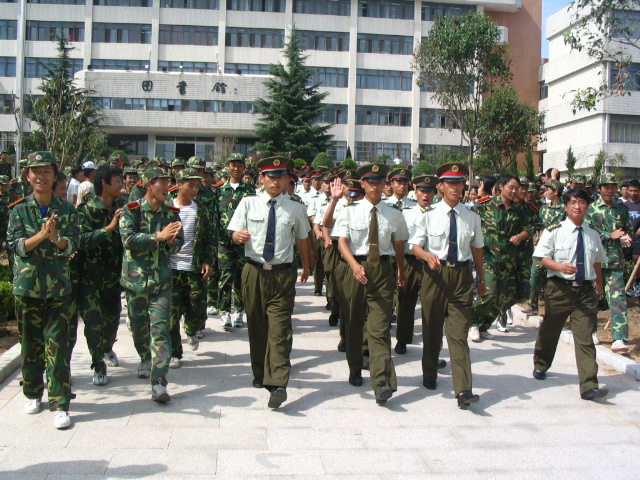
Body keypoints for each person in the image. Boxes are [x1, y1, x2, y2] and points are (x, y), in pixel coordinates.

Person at [228, 156, 311, 409]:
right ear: (262, 179)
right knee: (257, 325)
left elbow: (302, 238)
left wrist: (307, 266)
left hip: (282, 274)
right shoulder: (248, 203)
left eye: (281, 177)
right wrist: (237, 236)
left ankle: (277, 384)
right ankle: (259, 370)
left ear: (286, 179)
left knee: (280, 329)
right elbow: (233, 232)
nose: (276, 181)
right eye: (271, 177)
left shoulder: (295, 207)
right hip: (253, 271)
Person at [7, 151, 79, 429]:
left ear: (54, 175)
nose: (40, 176)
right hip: (27, 290)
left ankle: (60, 404)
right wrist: (41, 235)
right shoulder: (18, 210)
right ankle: (32, 393)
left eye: (46, 171)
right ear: (27, 176)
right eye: (35, 171)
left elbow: (73, 245)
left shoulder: (67, 209)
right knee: (30, 347)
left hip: (58, 291)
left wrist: (56, 238)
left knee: (58, 348)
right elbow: (17, 247)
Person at [410, 163, 485, 409]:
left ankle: (463, 389)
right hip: (435, 275)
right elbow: (415, 246)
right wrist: (427, 256)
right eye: (450, 183)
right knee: (432, 329)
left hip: (462, 276)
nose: (455, 187)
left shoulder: (472, 216)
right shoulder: (428, 215)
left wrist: (481, 278)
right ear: (440, 186)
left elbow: (477, 249)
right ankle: (430, 370)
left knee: (459, 334)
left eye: (459, 183)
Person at [333, 163, 408, 406]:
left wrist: (401, 270)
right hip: (355, 268)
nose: (375, 186)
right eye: (371, 182)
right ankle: (355, 368)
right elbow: (342, 241)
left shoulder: (394, 213)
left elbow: (399, 244)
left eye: (379, 182)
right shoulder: (349, 210)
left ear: (385, 184)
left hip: (383, 271)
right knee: (354, 323)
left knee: (380, 328)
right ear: (363, 184)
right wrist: (354, 265)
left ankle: (382, 381)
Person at [532, 188, 609, 401]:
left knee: (585, 337)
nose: (577, 206)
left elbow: (596, 260)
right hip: (559, 288)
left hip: (585, 291)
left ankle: (589, 385)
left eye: (582, 202)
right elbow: (542, 257)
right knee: (551, 329)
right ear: (566, 206)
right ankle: (541, 363)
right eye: (573, 202)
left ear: (587, 206)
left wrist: (599, 281)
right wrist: (560, 267)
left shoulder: (592, 233)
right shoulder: (555, 230)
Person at [120, 167, 184, 402]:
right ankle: (145, 358)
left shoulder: (171, 213)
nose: (168, 187)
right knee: (139, 328)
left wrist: (172, 241)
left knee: (160, 331)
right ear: (149, 185)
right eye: (162, 183)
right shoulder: (131, 210)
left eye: (168, 182)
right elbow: (128, 240)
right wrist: (158, 237)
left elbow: (180, 243)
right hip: (135, 282)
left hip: (161, 283)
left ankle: (159, 382)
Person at [77, 165, 125, 386]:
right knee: (93, 323)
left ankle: (107, 348)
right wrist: (108, 228)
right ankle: (98, 364)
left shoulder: (122, 207)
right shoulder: (86, 210)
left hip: (113, 276)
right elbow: (81, 240)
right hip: (90, 278)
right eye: (117, 180)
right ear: (104, 183)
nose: (121, 184)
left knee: (112, 318)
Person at [470, 174, 530, 340]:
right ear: (501, 187)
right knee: (489, 293)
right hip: (488, 258)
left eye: (517, 188)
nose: (514, 191)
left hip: (508, 261)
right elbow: (471, 224)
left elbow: (528, 229)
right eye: (511, 187)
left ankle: (484, 326)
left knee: (501, 298)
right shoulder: (485, 205)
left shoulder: (519, 209)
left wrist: (520, 236)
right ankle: (473, 323)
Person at [168, 168, 215, 368]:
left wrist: (207, 260)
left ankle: (191, 329)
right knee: (171, 314)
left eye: (197, 186)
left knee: (197, 309)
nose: (195, 189)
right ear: (179, 185)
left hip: (194, 268)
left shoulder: (201, 209)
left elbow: (210, 237)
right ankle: (174, 353)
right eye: (191, 185)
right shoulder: (168, 208)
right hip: (171, 269)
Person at [586, 173, 633, 353]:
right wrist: (609, 235)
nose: (610, 190)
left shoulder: (621, 209)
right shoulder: (591, 209)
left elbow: (628, 229)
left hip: (614, 261)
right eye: (607, 187)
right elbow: (587, 233)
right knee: (591, 297)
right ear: (599, 188)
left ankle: (619, 338)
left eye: (613, 186)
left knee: (618, 299)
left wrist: (625, 237)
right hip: (594, 260)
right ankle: (591, 332)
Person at [215, 153, 254, 328]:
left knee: (241, 277)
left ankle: (239, 310)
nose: (236, 168)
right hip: (224, 243)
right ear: (228, 167)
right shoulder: (219, 190)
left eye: (239, 165)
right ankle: (224, 311)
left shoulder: (250, 191)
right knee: (225, 277)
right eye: (233, 165)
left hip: (243, 242)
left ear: (244, 167)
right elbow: (215, 218)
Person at [524, 179, 565, 315]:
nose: (545, 192)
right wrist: (539, 236)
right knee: (534, 274)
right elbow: (541, 225)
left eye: (548, 189)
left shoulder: (565, 209)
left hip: (558, 247)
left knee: (555, 278)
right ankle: (532, 304)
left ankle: (556, 309)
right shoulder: (543, 209)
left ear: (556, 192)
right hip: (543, 247)